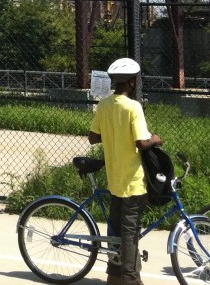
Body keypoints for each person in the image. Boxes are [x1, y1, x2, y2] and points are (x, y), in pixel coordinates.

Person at [88, 57, 162, 285]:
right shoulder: (133, 107)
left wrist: (112, 132)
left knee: (115, 230)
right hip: (133, 181)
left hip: (114, 179)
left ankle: (113, 276)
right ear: (132, 81)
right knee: (130, 233)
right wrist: (156, 139)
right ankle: (131, 280)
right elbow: (141, 142)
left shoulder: (104, 105)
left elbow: (93, 138)